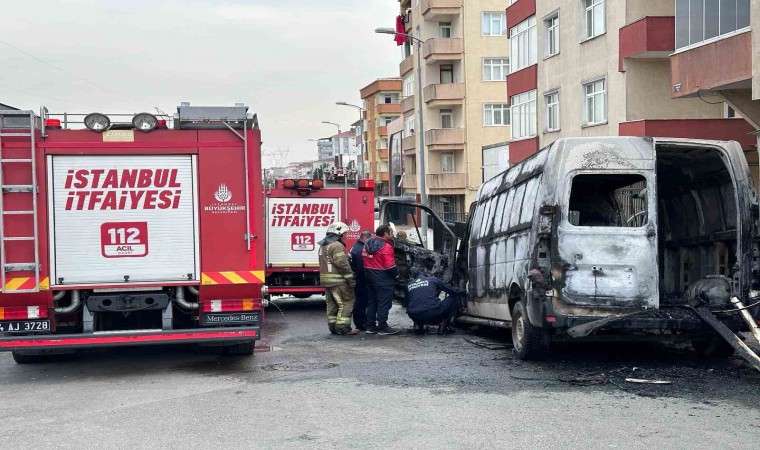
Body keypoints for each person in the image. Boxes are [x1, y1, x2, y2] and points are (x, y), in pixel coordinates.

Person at [318, 222, 358, 335]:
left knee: (332, 304)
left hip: (327, 281)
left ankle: (333, 327)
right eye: (344, 233)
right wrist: (351, 280)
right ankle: (343, 328)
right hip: (339, 281)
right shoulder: (337, 245)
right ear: (338, 233)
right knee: (346, 302)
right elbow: (342, 264)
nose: (345, 236)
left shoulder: (324, 245)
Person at [405, 263, 466, 335]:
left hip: (413, 314)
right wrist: (467, 292)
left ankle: (418, 325)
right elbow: (452, 290)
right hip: (432, 312)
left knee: (417, 304)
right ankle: (443, 325)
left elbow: (407, 302)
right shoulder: (433, 279)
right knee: (453, 298)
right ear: (429, 275)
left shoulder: (409, 284)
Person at [362, 224, 400, 335]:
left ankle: (370, 326)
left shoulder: (367, 244)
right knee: (384, 304)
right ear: (385, 234)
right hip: (384, 280)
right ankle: (383, 327)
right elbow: (390, 266)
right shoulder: (386, 247)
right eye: (391, 232)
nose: (393, 234)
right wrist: (397, 276)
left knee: (372, 303)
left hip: (370, 278)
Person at [349, 230, 372, 332]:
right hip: (360, 281)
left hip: (356, 279)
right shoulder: (360, 250)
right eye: (370, 239)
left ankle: (360, 323)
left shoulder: (355, 247)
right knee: (361, 303)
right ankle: (361, 324)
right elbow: (360, 268)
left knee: (359, 302)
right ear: (365, 238)